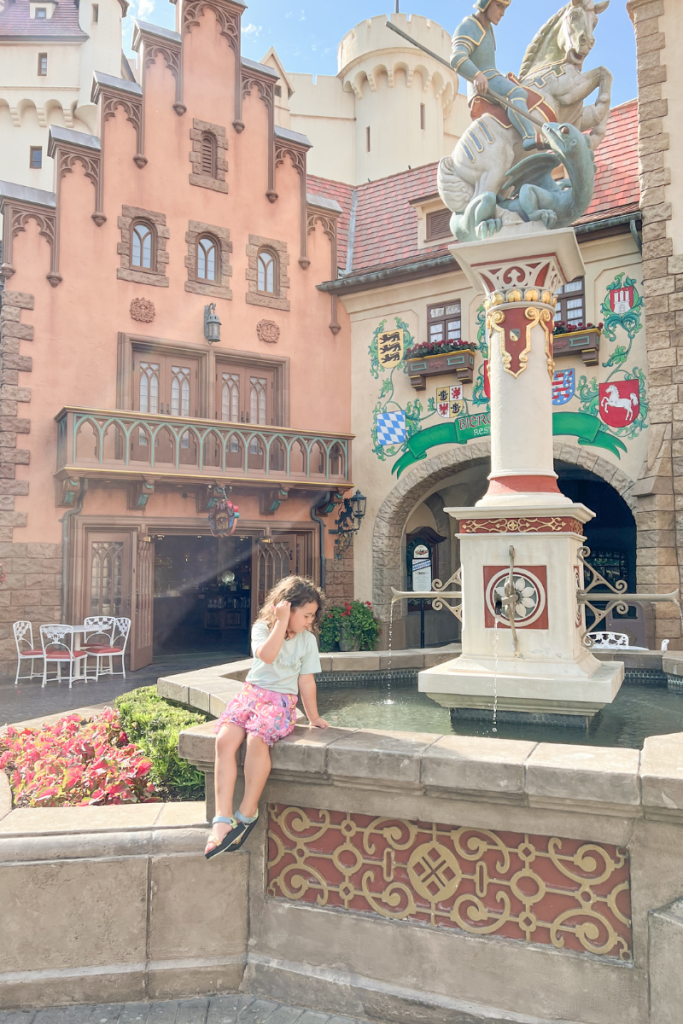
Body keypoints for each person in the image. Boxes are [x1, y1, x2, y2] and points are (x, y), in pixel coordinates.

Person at [205, 575, 329, 859]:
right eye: (306, 615)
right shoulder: (262, 629)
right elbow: (267, 655)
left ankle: (247, 812)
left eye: (312, 615)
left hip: (279, 703)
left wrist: (313, 716)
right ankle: (222, 819)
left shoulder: (307, 640)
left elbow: (306, 681)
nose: (309, 621)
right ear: (285, 608)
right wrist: (281, 622)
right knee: (225, 740)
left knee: (257, 739)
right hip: (250, 696)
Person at [451, 0, 539, 151]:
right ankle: (530, 136)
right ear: (486, 3)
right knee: (517, 92)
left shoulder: (488, 28)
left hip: (492, 76)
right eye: (499, 6)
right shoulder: (469, 26)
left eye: (505, 8)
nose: (502, 13)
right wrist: (476, 75)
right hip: (484, 81)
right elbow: (457, 58)